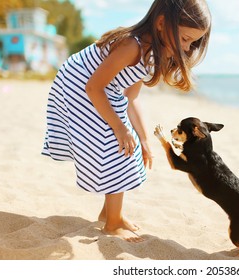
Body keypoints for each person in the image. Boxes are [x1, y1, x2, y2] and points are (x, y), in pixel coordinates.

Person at [42, 0, 211, 242]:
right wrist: (120, 129)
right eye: (184, 38)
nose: (186, 48)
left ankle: (109, 213)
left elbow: (131, 99)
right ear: (162, 23)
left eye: (192, 43)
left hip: (100, 90)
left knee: (128, 145)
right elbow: (93, 87)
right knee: (117, 145)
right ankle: (113, 223)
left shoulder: (151, 54)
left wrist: (142, 137)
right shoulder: (132, 46)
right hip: (78, 87)